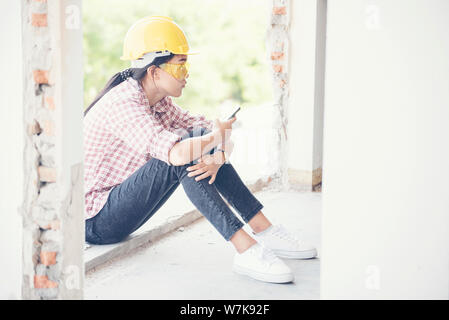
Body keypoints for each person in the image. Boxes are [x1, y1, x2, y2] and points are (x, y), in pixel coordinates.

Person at [83, 15, 317, 284]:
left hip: (122, 205)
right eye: (181, 66)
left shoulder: (160, 101)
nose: (187, 74)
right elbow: (179, 153)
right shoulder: (124, 103)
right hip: (98, 221)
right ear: (154, 71)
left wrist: (218, 155)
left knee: (195, 141)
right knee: (181, 153)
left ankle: (263, 229)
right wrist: (214, 138)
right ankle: (245, 249)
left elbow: (213, 132)